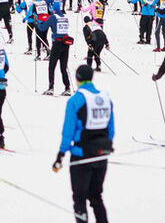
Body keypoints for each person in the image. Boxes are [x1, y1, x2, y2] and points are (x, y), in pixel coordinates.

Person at [53, 64, 114, 223]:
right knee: (96, 197)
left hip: (81, 156)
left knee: (79, 199)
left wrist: (60, 154)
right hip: (101, 154)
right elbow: (111, 129)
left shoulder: (76, 100)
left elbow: (68, 131)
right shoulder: (106, 97)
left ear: (77, 78)